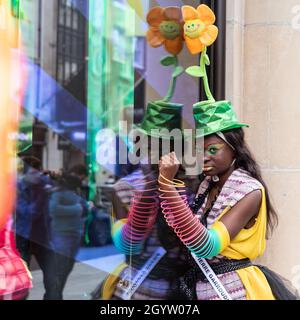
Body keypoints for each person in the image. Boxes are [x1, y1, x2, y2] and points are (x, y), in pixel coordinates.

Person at [46, 168, 88, 300]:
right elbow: (53, 210)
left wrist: (85, 207)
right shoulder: (58, 194)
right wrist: (77, 209)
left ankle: (57, 295)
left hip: (75, 234)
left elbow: (84, 208)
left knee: (66, 269)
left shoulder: (75, 194)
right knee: (60, 269)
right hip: (62, 235)